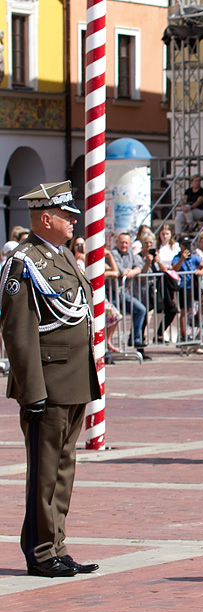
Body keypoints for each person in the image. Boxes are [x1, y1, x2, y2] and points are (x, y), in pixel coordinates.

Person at [0, 180, 101, 577]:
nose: (73, 220)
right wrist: (31, 389)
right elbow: (18, 330)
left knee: (63, 468)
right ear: (46, 218)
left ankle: (56, 545)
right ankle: (42, 553)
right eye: (66, 215)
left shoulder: (60, 257)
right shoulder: (23, 262)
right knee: (45, 472)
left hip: (73, 379)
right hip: (48, 383)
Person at [109, 232, 151, 360]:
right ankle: (106, 347)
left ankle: (135, 337)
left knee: (141, 309)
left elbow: (138, 267)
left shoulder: (130, 254)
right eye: (121, 242)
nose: (124, 245)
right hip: (111, 293)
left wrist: (133, 271)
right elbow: (121, 272)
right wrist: (128, 272)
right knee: (113, 318)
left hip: (124, 293)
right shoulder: (113, 254)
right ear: (117, 243)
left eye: (126, 243)